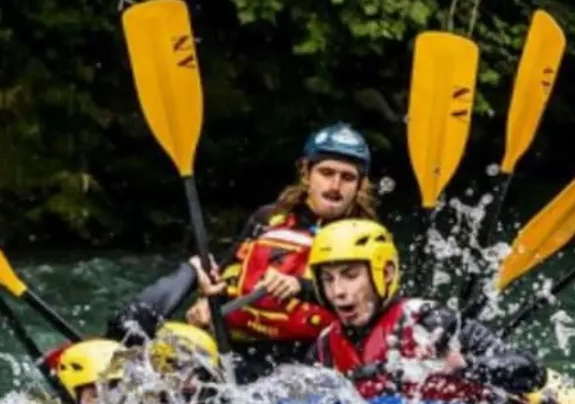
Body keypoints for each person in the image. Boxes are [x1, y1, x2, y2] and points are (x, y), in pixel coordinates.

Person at [107, 123, 378, 381]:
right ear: (307, 174)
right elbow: (228, 274)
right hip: (236, 349)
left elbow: (371, 308)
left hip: (304, 359)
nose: (335, 186)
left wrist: (301, 286)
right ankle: (114, 356)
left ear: (359, 186)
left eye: (347, 178)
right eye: (327, 173)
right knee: (188, 276)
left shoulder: (365, 237)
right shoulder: (267, 219)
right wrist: (207, 301)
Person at [306, 218, 552, 404]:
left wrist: (468, 368)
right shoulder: (325, 348)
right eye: (328, 279)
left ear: (387, 273)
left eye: (350, 276)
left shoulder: (430, 321)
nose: (337, 291)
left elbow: (532, 371)